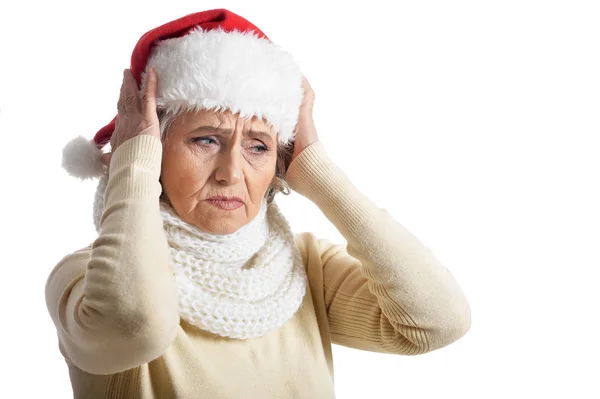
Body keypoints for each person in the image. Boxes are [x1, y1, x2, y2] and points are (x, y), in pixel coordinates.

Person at [45, 8, 471, 398]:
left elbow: (438, 323)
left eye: (258, 147)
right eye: (206, 139)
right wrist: (131, 165)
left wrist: (317, 172)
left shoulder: (304, 268)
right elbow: (134, 323)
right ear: (152, 150)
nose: (231, 173)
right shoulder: (84, 280)